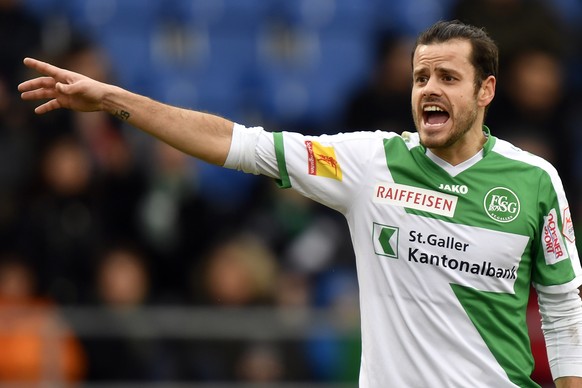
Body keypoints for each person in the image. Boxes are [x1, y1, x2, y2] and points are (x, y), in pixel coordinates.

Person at [18, 20, 582, 387]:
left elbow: (562, 309)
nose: (429, 89)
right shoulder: (369, 164)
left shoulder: (535, 182)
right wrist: (115, 100)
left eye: (448, 77)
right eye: (420, 77)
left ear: (485, 91)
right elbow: (237, 143)